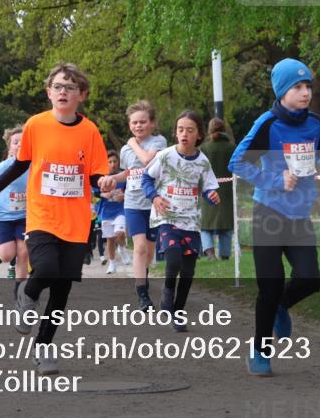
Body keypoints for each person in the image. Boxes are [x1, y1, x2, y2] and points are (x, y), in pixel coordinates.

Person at [0, 63, 109, 376]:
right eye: (59, 86)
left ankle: (44, 347)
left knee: (62, 291)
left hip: (76, 221)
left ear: (81, 95)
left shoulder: (89, 131)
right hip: (42, 216)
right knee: (47, 269)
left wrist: (104, 182)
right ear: (49, 92)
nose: (64, 91)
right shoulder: (36, 125)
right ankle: (28, 292)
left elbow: (96, 173)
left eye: (71, 87)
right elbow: (18, 165)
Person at [230, 58, 320, 376]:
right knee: (269, 287)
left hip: (299, 215)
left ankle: (282, 307)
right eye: (298, 87)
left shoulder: (316, 123)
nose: (306, 92)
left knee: (311, 280)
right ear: (282, 91)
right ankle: (260, 352)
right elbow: (237, 162)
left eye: (308, 86)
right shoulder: (267, 124)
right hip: (268, 214)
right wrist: (273, 180)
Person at [142, 110, 220, 332]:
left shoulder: (203, 161)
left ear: (199, 135)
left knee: (187, 271)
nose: (184, 134)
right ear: (175, 133)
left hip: (191, 221)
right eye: (180, 129)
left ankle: (178, 311)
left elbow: (209, 186)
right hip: (167, 218)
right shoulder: (166, 155)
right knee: (173, 259)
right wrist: (155, 197)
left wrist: (212, 195)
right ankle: (167, 295)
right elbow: (147, 177)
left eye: (190, 130)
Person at [99, 100, 166, 312]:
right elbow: (128, 173)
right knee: (140, 247)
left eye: (143, 122)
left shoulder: (159, 142)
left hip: (155, 203)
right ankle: (142, 293)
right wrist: (111, 179)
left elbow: (147, 161)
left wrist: (133, 143)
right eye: (134, 123)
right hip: (134, 203)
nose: (138, 126)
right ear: (130, 125)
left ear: (152, 123)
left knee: (149, 251)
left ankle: (142, 278)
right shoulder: (127, 149)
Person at [0, 125, 29, 299]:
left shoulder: (33, 164)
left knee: (23, 252)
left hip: (26, 216)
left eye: (22, 142)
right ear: (10, 147)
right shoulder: (5, 166)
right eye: (15, 142)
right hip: (5, 217)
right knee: (6, 255)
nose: (19, 145)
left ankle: (20, 290)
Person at [200, 118, 236, 260]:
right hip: (227, 190)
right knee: (226, 225)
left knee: (206, 224)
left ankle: (210, 254)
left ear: (209, 130)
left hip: (209, 189)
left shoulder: (204, 148)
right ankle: (225, 255)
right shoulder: (232, 147)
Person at [96, 150, 128, 274]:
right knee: (110, 239)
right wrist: (105, 195)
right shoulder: (101, 178)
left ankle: (122, 249)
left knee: (119, 233)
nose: (113, 164)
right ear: (106, 163)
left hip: (120, 210)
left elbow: (131, 191)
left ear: (118, 162)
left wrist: (124, 195)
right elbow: (95, 192)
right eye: (110, 162)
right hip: (106, 212)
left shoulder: (123, 177)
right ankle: (112, 264)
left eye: (115, 161)